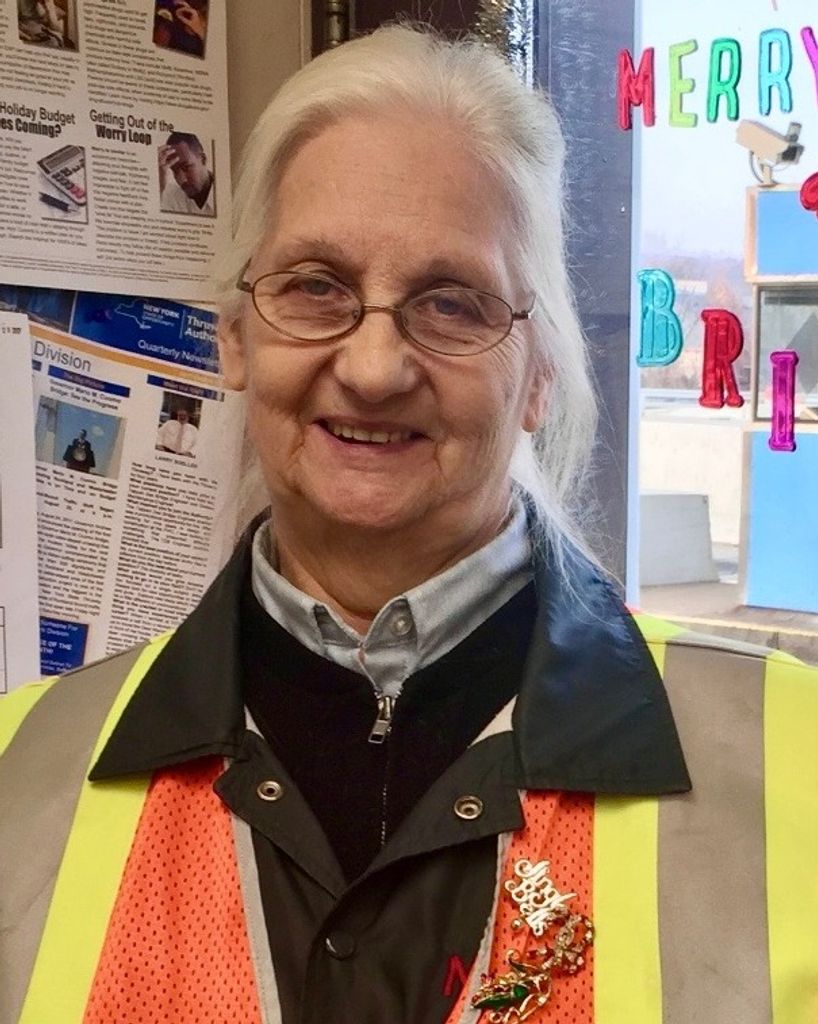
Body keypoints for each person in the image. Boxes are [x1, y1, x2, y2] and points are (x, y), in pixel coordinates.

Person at [2, 24, 817, 1024]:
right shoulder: (19, 768)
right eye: (315, 287)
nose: (375, 368)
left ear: (538, 377)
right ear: (235, 339)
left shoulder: (797, 762)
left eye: (451, 303)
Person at [158, 131, 215, 216]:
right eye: (175, 171)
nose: (182, 180)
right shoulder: (171, 196)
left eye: (186, 167)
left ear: (203, 159)